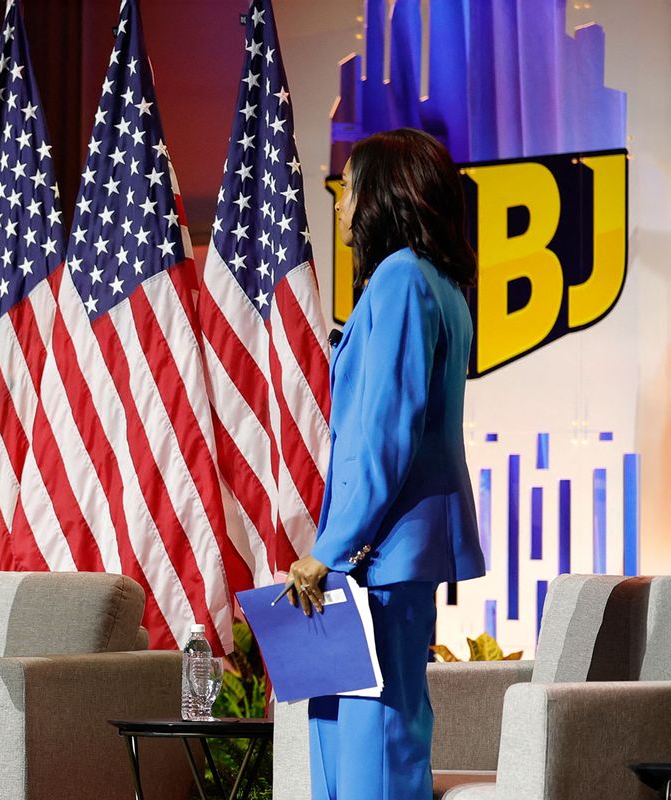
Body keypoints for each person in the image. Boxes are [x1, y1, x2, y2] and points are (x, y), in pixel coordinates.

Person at [285, 128, 486, 800]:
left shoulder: (402, 277)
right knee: (353, 723)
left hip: (378, 552)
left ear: (386, 193)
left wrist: (332, 548)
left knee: (372, 735)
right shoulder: (438, 282)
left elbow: (384, 433)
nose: (340, 203)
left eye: (350, 186)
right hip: (386, 549)